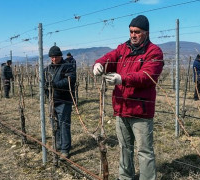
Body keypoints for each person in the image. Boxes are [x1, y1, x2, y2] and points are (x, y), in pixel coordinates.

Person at [93, 15, 164, 180]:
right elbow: (109, 57)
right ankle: (125, 177)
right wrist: (99, 64)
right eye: (131, 31)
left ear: (146, 32)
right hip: (122, 107)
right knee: (124, 147)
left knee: (144, 150)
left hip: (141, 110)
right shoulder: (123, 48)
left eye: (137, 32)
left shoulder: (154, 51)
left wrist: (122, 79)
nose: (133, 35)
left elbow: (147, 76)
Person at [44, 46, 76, 159]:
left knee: (64, 124)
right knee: (54, 124)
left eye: (55, 57)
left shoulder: (67, 66)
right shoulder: (47, 69)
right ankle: (57, 144)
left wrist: (54, 85)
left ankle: (65, 149)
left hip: (64, 100)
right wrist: (47, 93)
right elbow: (43, 83)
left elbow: (70, 79)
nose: (53, 59)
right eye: (51, 57)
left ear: (60, 56)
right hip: (52, 101)